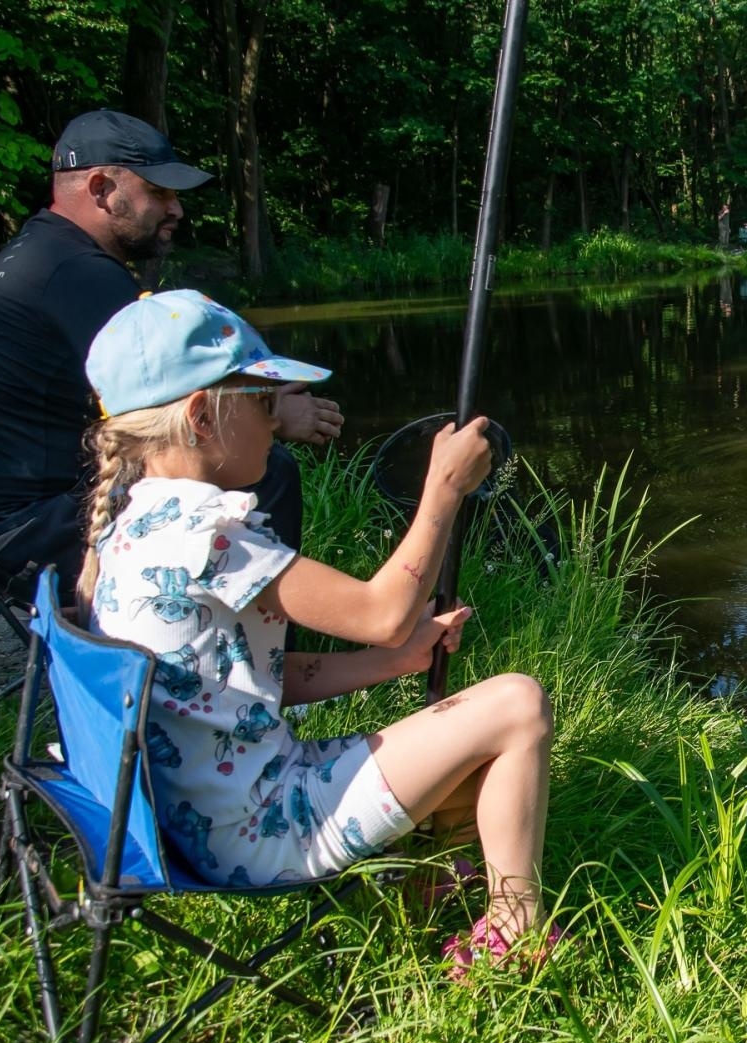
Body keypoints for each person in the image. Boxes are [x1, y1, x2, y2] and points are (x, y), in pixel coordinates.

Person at [77, 289, 559, 975]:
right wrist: (444, 489)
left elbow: (246, 678)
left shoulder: (134, 524)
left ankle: (427, 900)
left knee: (472, 758)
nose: (276, 423)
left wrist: (393, 663)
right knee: (518, 704)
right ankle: (518, 932)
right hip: (261, 831)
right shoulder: (209, 534)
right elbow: (384, 609)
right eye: (262, 402)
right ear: (201, 417)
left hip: (202, 825)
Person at [0, 109, 342, 604]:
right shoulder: (77, 276)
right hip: (31, 538)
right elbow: (191, 407)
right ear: (99, 188)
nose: (176, 209)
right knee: (267, 467)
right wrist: (279, 413)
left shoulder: (39, 256)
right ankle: (255, 658)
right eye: (158, 192)